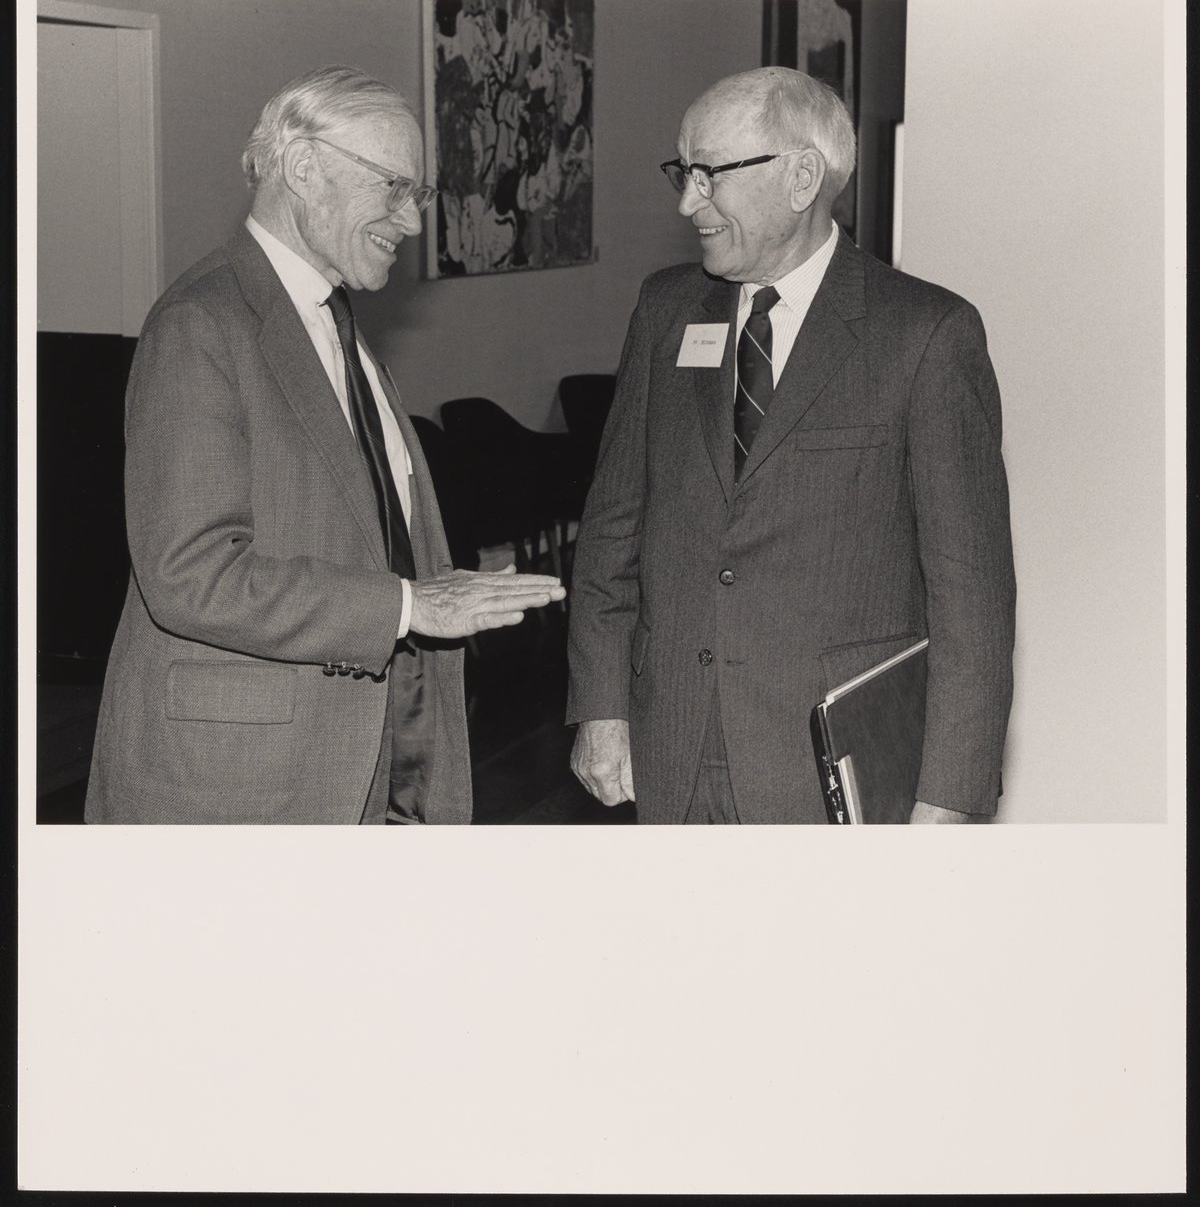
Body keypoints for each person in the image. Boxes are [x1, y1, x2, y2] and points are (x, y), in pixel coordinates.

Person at [85, 65, 565, 824]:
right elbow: (189, 574)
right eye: (393, 188)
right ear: (305, 168)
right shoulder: (200, 325)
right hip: (237, 788)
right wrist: (409, 605)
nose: (412, 223)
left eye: (418, 196)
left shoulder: (334, 323)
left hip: (352, 759)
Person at [566, 66, 1015, 824]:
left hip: (831, 764)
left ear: (801, 177)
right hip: (671, 743)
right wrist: (601, 705)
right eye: (683, 173)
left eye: (709, 175)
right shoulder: (666, 310)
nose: (687, 203)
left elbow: (972, 595)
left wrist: (948, 794)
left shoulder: (926, 335)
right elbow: (614, 524)